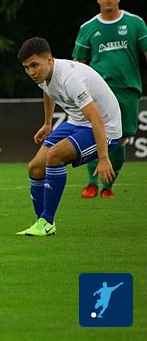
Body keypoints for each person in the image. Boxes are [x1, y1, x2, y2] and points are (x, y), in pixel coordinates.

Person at [16, 37, 120, 237]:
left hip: (106, 128)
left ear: (49, 59)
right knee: (35, 167)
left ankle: (47, 221)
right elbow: (48, 91)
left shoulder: (70, 79)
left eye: (34, 65)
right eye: (26, 67)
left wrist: (104, 158)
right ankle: (42, 223)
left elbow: (96, 119)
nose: (31, 72)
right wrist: (47, 123)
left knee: (54, 155)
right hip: (76, 122)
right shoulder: (44, 75)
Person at [72, 0, 147, 199]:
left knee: (121, 138)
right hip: (99, 90)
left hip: (127, 89)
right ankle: (91, 184)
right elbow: (78, 63)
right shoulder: (88, 28)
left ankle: (107, 187)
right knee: (97, 134)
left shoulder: (135, 23)